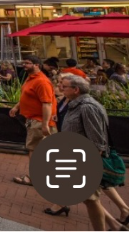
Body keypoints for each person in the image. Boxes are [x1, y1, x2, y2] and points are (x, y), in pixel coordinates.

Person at [54, 75, 114, 229]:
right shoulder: (74, 105)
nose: (61, 88)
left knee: (92, 200)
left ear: (76, 90)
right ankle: (115, 226)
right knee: (89, 200)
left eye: (65, 86)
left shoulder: (87, 107)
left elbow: (97, 141)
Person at [9, 55, 57, 186]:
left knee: (34, 150)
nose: (24, 65)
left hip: (39, 120)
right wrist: (17, 107)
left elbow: (47, 103)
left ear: (37, 65)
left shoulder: (42, 81)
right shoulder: (30, 79)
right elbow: (26, 95)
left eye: (28, 63)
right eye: (24, 62)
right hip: (34, 120)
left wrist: (45, 123)